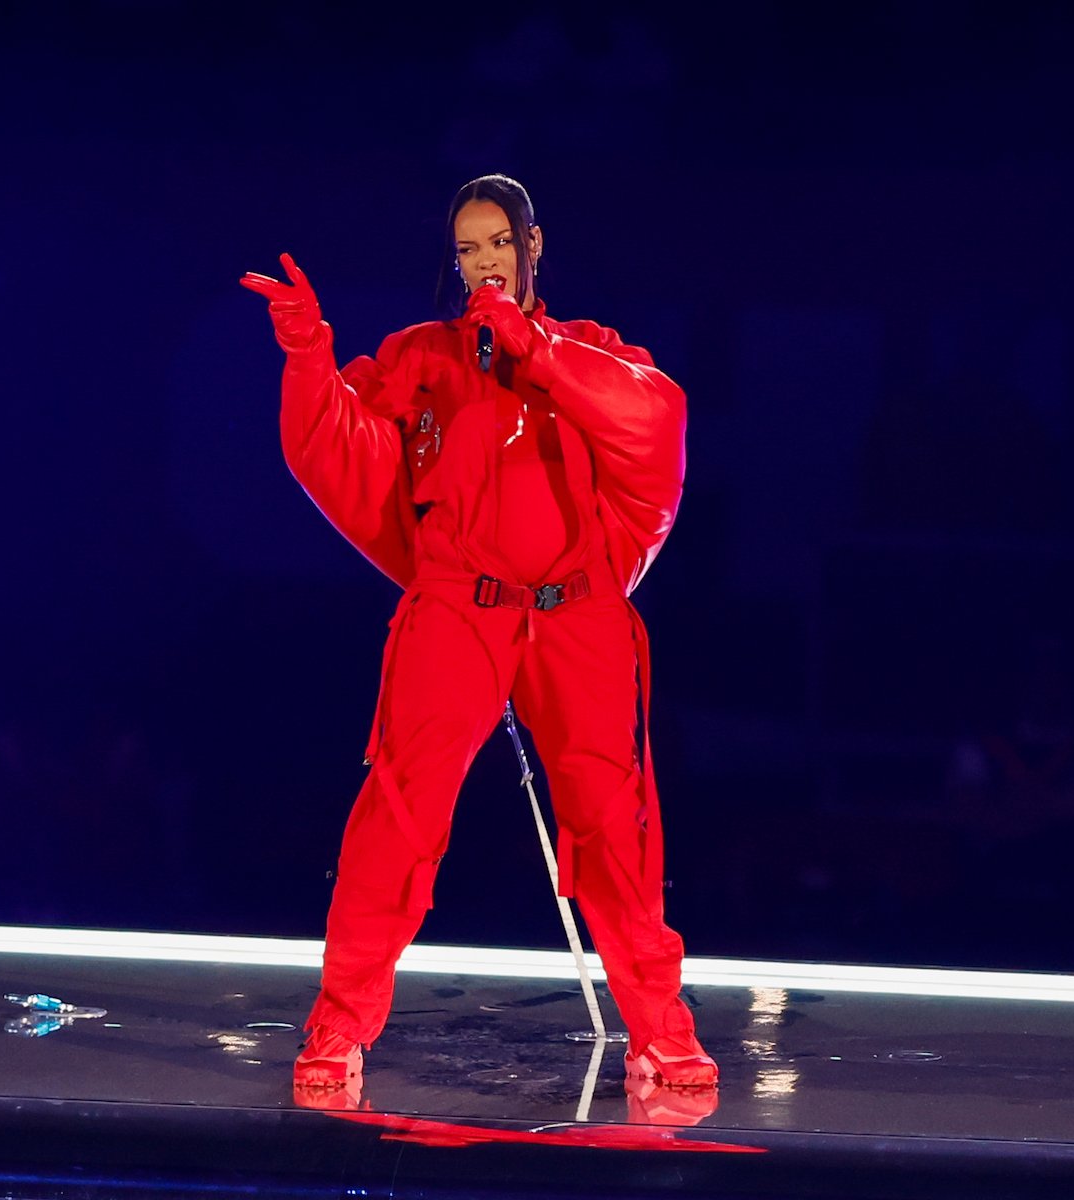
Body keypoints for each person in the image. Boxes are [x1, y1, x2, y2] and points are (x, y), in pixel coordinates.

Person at [240, 174, 717, 1095]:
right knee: (398, 813)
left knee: (616, 827)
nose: (483, 264)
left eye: (498, 243)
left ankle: (661, 1030)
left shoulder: (590, 349)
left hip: (574, 611)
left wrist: (534, 348)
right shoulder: (424, 357)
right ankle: (339, 1028)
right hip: (461, 605)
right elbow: (336, 443)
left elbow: (655, 419)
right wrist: (308, 354)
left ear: (534, 246)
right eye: (467, 250)